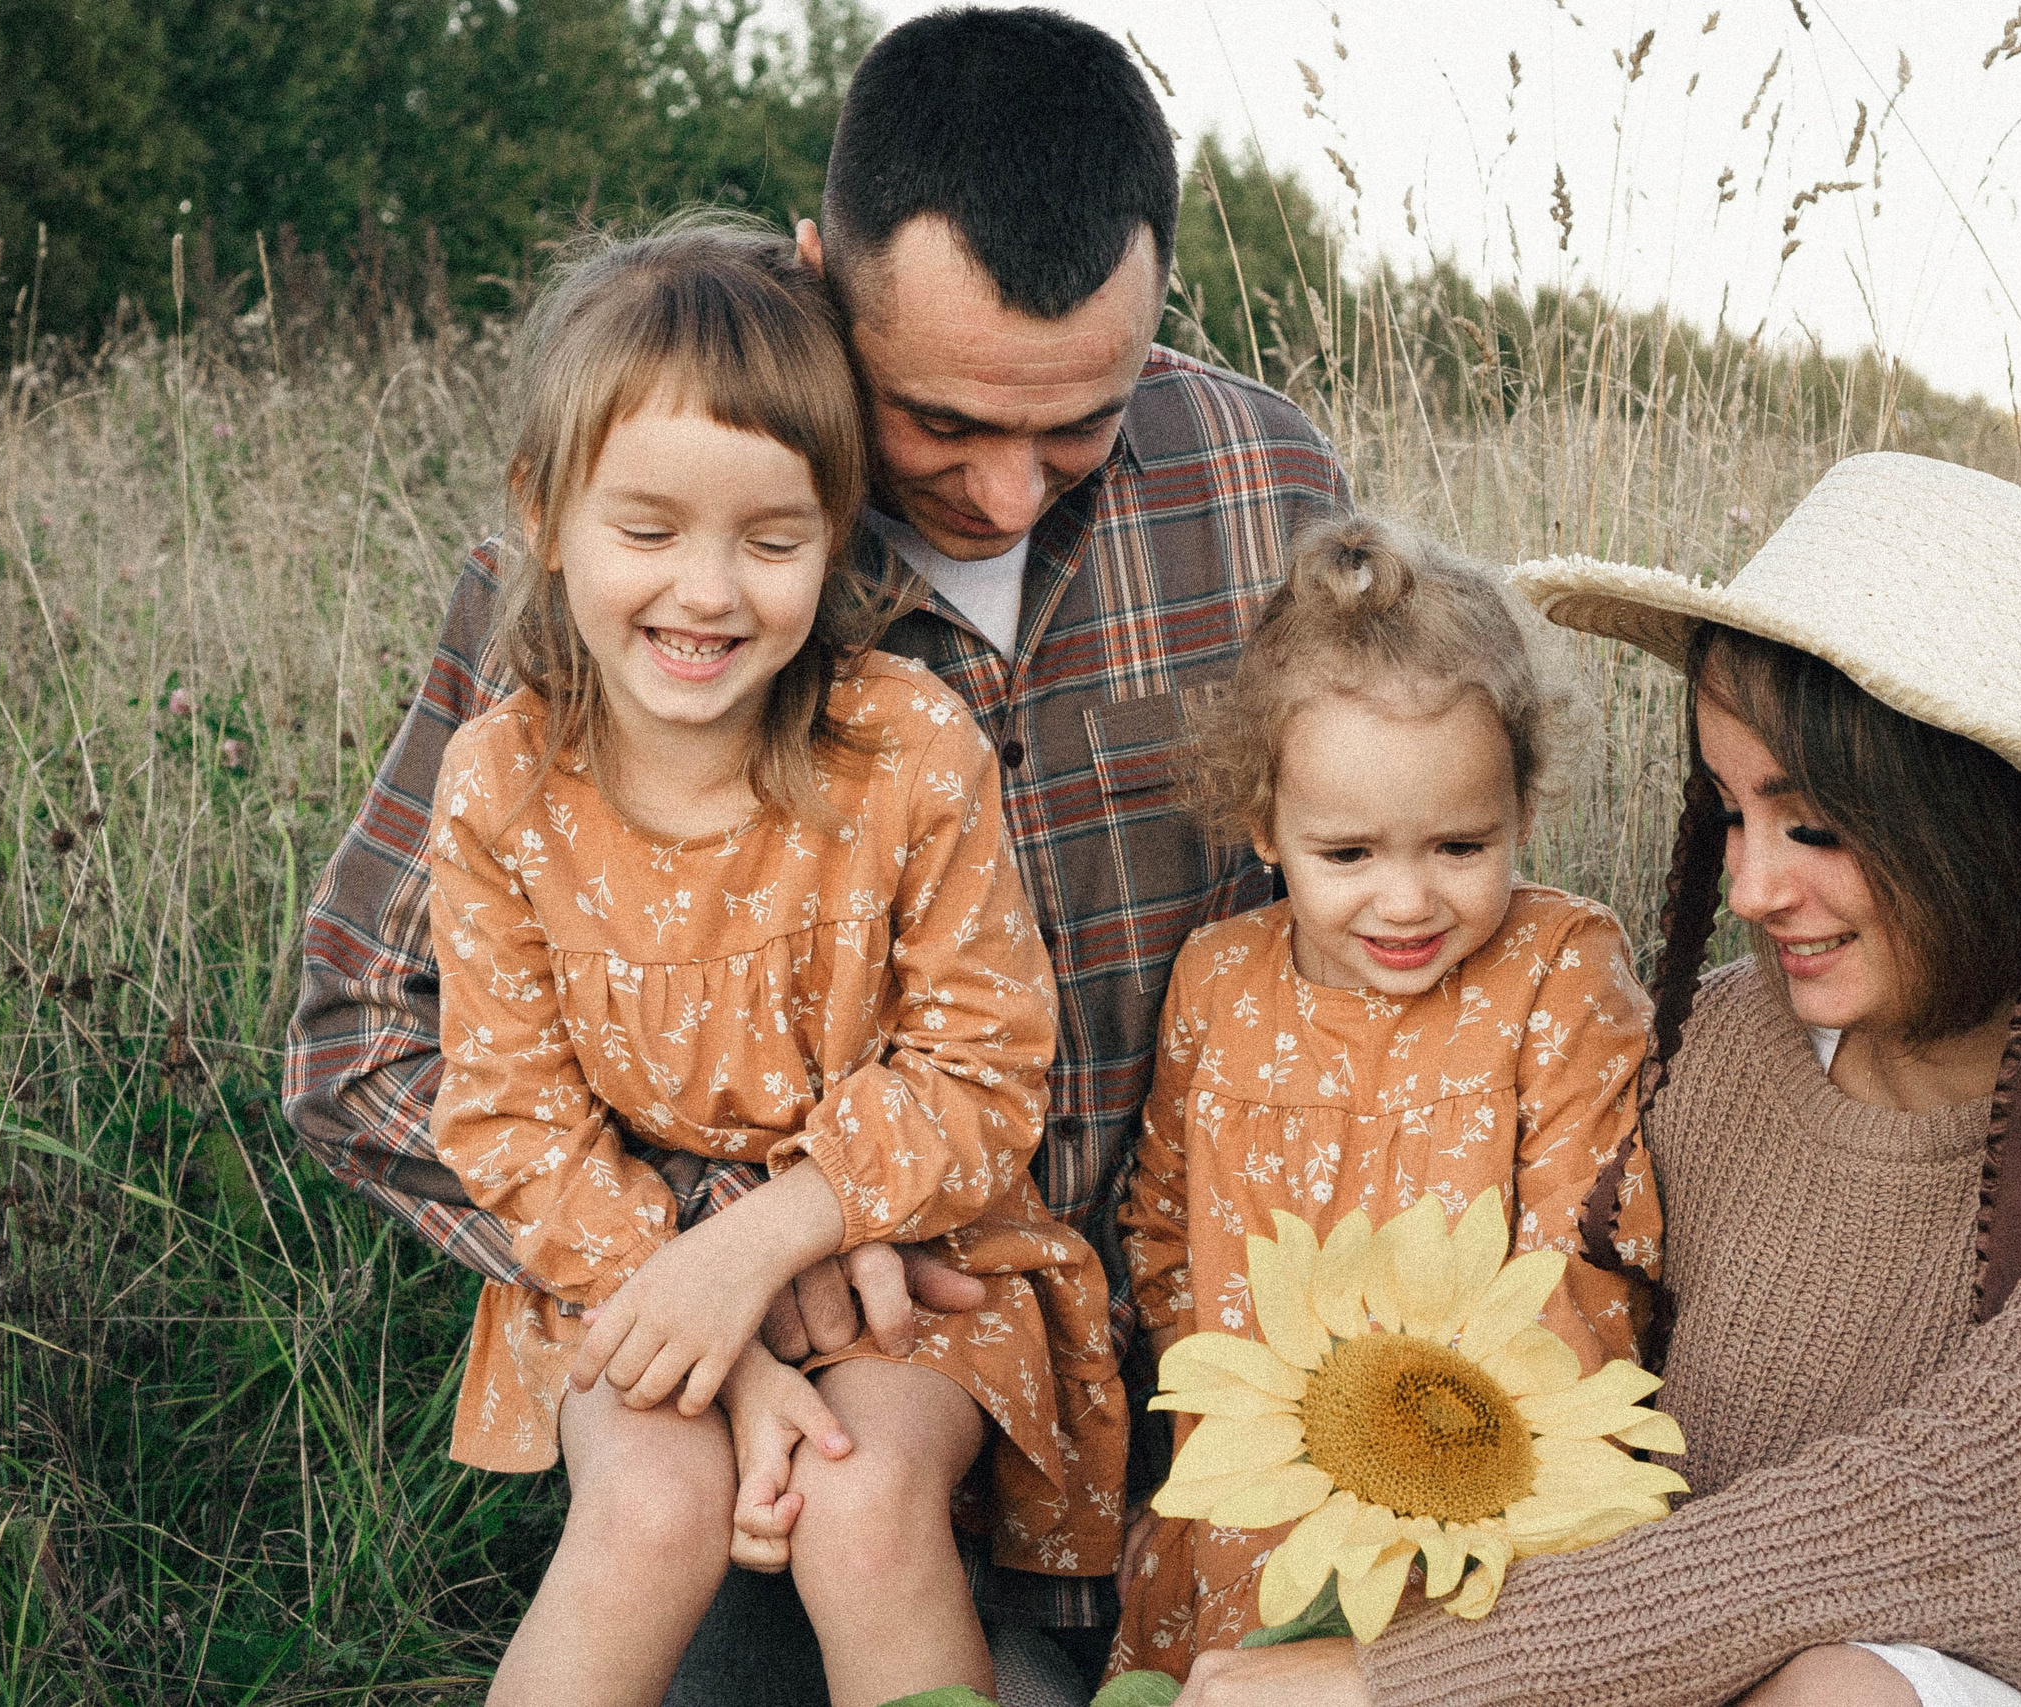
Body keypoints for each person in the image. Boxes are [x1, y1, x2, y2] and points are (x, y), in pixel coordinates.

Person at [281, 9, 1346, 1701]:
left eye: (1079, 423)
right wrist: (738, 1250)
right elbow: (360, 1037)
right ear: (817, 278)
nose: (1009, 492)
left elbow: (1351, 932)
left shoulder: (1265, 484)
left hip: (1155, 1406)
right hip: (752, 1437)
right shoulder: (623, 568)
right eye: (939, 421)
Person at [1162, 453, 2021, 1707]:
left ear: (1989, 818)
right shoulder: (1722, 1047)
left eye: (1812, 826)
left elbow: (1985, 1508)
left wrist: (1403, 1680)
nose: (1753, 889)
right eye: (1729, 813)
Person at [415, 215, 1121, 1707]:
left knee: (859, 1498)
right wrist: (715, 1331)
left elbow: (986, 1066)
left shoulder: (906, 749)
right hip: (624, 1271)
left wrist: (762, 1244)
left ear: (836, 530)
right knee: (651, 1506)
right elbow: (511, 1117)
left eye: (773, 540)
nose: (709, 592)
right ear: (546, 512)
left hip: (921, 1258)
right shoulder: (502, 783)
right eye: (649, 531)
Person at [1103, 518, 1669, 1683]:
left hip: (1476, 1502)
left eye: (1459, 846)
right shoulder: (1218, 978)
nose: (1405, 901)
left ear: (1523, 810)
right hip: (1251, 1491)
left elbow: (1586, 1254)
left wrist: (1479, 1475)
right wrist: (1233, 1408)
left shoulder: (1555, 970)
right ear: (1265, 826)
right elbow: (1161, 1218)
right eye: (1348, 855)